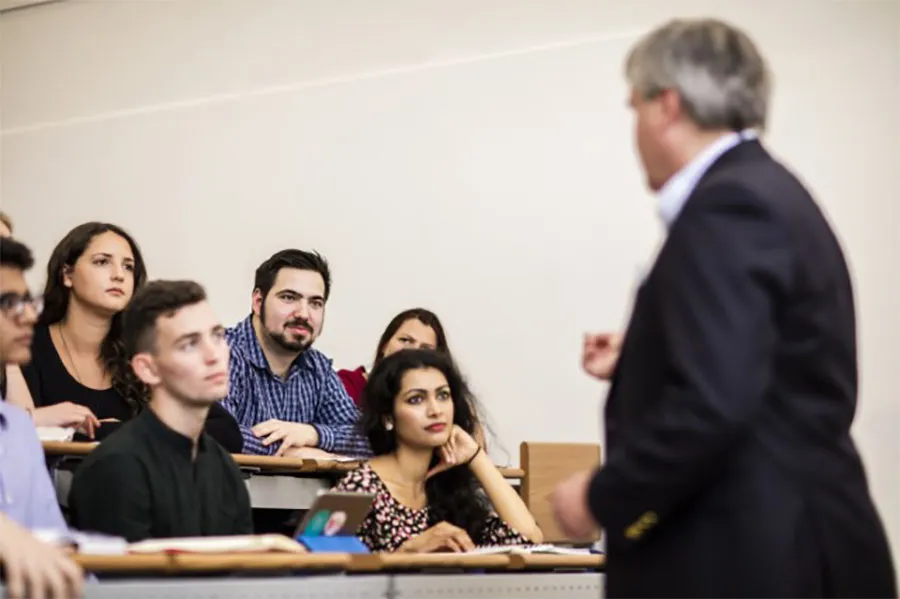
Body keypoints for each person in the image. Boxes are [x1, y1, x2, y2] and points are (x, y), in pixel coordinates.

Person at [551, 18, 896, 598]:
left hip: (755, 557)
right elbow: (764, 366)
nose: (633, 127)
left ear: (667, 105)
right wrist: (646, 355)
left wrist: (598, 496)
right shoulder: (766, 191)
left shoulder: (728, 207)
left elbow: (715, 403)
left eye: (632, 106)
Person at [16, 222, 241, 451]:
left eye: (128, 267)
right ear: (67, 274)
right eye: (102, 262)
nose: (118, 275)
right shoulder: (24, 344)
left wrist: (117, 432)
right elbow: (19, 433)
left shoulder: (141, 351)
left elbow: (226, 432)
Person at [68, 280, 253, 542]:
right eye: (189, 344)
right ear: (148, 369)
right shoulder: (114, 468)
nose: (214, 355)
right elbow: (125, 580)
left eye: (217, 336)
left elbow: (241, 572)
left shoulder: (224, 467)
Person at [333, 349, 541, 552]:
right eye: (416, 399)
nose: (435, 410)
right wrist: (407, 554)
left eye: (443, 395)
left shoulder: (449, 485)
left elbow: (529, 540)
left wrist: (476, 456)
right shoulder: (359, 485)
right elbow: (317, 566)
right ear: (388, 417)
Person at [222, 249, 370, 457]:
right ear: (258, 302)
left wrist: (313, 435)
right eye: (289, 298)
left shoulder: (318, 368)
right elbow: (214, 434)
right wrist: (292, 452)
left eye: (315, 303)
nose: (303, 314)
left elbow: (367, 441)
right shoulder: (221, 352)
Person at [0, 236, 84, 599]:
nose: (30, 315)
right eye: (8, 303)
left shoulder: (19, 428)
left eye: (27, 301)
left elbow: (53, 540)